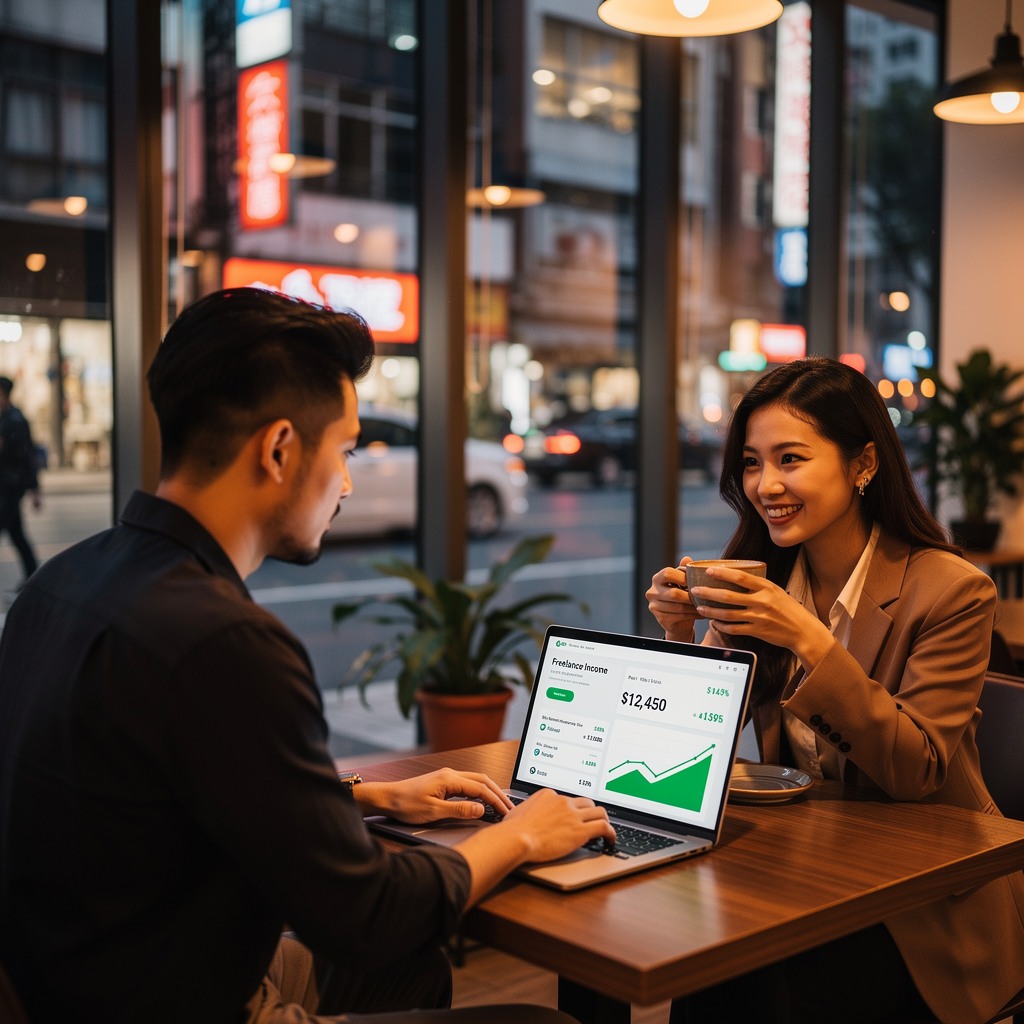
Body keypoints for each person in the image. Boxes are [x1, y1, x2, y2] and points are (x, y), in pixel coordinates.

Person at [0, 287, 615, 1024]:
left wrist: (365, 796)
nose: (348, 483)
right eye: (346, 452)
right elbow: (367, 918)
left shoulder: (61, 581)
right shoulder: (226, 643)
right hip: (189, 1002)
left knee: (409, 974)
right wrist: (521, 835)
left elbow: (157, 792)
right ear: (280, 450)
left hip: (77, 981)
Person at [646, 357, 1024, 1024]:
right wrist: (680, 633)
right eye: (752, 463)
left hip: (919, 901)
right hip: (803, 869)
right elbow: (690, 753)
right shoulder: (762, 580)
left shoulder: (953, 591)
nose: (766, 485)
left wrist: (810, 641)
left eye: (790, 459)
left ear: (863, 464)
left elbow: (916, 769)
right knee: (706, 962)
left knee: (783, 981)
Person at [0, 375, 40, 585]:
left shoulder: (14, 421)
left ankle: (33, 577)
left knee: (13, 530)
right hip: (6, 486)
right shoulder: (5, 418)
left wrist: (35, 489)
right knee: (17, 533)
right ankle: (33, 577)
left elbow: (28, 456)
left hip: (11, 486)